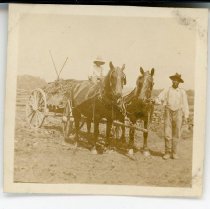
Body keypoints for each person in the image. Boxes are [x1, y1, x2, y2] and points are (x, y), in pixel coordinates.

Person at [155, 73, 189, 160]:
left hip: (178, 112)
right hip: (168, 112)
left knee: (176, 133)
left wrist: (186, 115)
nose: (175, 81)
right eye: (174, 79)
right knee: (167, 132)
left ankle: (174, 153)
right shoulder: (167, 90)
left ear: (179, 82)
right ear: (172, 80)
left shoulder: (182, 92)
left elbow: (185, 104)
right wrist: (155, 101)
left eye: (177, 80)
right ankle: (167, 152)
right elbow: (159, 98)